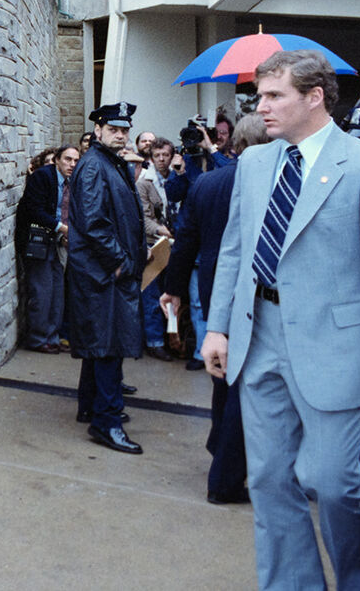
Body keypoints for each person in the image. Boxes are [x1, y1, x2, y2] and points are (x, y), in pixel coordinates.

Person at [202, 50, 360, 590]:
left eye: (275, 96)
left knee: (335, 483)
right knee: (269, 480)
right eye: (260, 96)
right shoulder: (252, 164)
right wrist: (218, 326)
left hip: (338, 351)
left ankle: (359, 580)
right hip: (259, 340)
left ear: (314, 97)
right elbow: (235, 251)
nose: (261, 107)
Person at [160, 113, 270, 505]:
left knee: (222, 373)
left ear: (234, 144)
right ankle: (227, 467)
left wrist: (174, 289)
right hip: (251, 296)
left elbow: (185, 238)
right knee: (246, 382)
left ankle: (219, 442)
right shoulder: (263, 182)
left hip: (212, 292)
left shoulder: (207, 182)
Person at [65, 102, 146, 455]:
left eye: (125, 130)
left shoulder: (107, 162)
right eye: (114, 129)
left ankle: (91, 407)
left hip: (102, 273)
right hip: (102, 275)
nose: (121, 135)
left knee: (99, 345)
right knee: (109, 347)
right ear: (97, 131)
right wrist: (120, 263)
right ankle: (106, 421)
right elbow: (96, 223)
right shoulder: (96, 165)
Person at [17, 145, 80, 354]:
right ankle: (37, 339)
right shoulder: (43, 177)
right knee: (41, 291)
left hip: (56, 241)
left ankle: (52, 337)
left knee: (57, 290)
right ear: (57, 160)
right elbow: (32, 209)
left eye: (75, 161)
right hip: (36, 241)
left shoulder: (72, 182)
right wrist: (61, 228)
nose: (71, 164)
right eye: (67, 159)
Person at [137, 136, 175, 362]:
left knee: (171, 294)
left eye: (166, 155)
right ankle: (155, 342)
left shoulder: (178, 178)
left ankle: (173, 339)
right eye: (157, 155)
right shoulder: (144, 183)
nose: (162, 160)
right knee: (151, 296)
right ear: (151, 157)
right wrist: (164, 231)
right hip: (154, 244)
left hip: (174, 245)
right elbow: (143, 219)